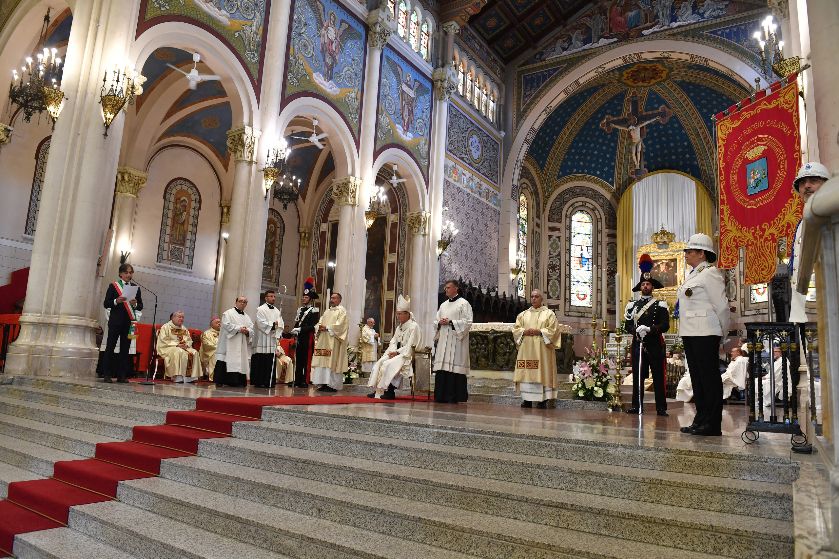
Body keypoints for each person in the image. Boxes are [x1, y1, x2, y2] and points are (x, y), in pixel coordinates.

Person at [788, 162, 830, 433]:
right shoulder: (802, 224)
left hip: (828, 301)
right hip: (803, 305)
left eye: (813, 180)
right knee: (811, 368)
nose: (807, 186)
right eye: (803, 183)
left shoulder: (830, 213)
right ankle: (817, 423)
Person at [677, 233, 730, 436]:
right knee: (697, 379)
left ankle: (713, 424)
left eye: (690, 251)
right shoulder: (693, 275)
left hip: (706, 333)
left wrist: (722, 335)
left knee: (709, 379)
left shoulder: (711, 274)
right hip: (691, 333)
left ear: (701, 253)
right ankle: (701, 419)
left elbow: (722, 308)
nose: (686, 255)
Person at [623, 254, 670, 416]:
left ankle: (661, 408)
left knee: (658, 377)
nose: (645, 286)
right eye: (643, 284)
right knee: (638, 377)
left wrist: (650, 329)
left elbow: (665, 325)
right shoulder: (632, 305)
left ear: (652, 286)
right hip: (638, 344)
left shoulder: (660, 304)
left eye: (648, 284)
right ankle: (636, 406)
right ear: (640, 286)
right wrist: (635, 330)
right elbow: (627, 324)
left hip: (655, 344)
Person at [512, 289, 561, 409]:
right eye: (532, 296)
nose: (534, 299)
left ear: (541, 299)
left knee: (541, 371)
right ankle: (527, 400)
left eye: (537, 297)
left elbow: (554, 330)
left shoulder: (549, 314)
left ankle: (542, 400)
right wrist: (524, 331)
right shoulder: (523, 314)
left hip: (542, 350)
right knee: (526, 372)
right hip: (527, 350)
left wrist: (540, 331)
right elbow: (516, 330)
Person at [367, 295, 422, 399]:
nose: (398, 316)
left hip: (408, 355)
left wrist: (397, 352)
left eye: (400, 314)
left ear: (407, 314)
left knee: (388, 364)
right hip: (397, 353)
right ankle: (378, 391)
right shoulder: (399, 327)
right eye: (397, 314)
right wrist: (392, 351)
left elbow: (411, 345)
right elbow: (393, 341)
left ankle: (390, 392)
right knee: (380, 362)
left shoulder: (414, 327)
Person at [433, 279, 473, 404]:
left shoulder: (464, 303)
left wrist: (451, 322)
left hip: (456, 340)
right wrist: (439, 322)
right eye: (445, 288)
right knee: (442, 368)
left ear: (456, 288)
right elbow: (436, 320)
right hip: (444, 339)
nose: (446, 290)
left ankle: (454, 396)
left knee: (454, 368)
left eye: (449, 287)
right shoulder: (443, 305)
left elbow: (468, 322)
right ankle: (440, 396)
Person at [102, 263, 143, 383]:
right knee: (110, 347)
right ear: (120, 274)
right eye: (126, 272)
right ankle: (107, 374)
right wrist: (116, 300)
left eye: (131, 273)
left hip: (129, 323)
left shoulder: (136, 288)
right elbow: (106, 303)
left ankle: (121, 375)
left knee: (125, 350)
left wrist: (135, 304)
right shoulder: (113, 286)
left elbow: (140, 306)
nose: (128, 275)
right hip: (115, 322)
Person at [311, 292, 349, 392]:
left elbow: (341, 325)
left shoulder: (342, 311)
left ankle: (331, 385)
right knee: (322, 361)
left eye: (334, 298)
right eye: (331, 298)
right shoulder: (327, 311)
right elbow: (320, 322)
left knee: (331, 362)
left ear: (339, 300)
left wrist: (327, 327)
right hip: (323, 340)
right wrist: (318, 327)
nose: (331, 300)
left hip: (333, 340)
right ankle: (322, 383)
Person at [214, 296, 254, 387]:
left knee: (239, 360)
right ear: (236, 302)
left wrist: (247, 331)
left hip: (240, 343)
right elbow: (226, 325)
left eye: (245, 302)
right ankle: (221, 380)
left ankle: (237, 381)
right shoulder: (228, 313)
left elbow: (252, 328)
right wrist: (239, 329)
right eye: (241, 301)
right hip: (229, 342)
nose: (242, 303)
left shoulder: (247, 317)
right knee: (225, 360)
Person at [251, 290, 283, 388]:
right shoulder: (260, 309)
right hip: (262, 338)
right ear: (266, 298)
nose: (273, 298)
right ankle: (260, 381)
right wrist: (273, 325)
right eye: (271, 296)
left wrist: (278, 327)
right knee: (261, 359)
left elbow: (281, 322)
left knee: (270, 360)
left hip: (272, 338)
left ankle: (269, 381)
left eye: (274, 296)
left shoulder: (277, 311)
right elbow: (260, 323)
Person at [157, 311, 201, 383]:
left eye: (182, 317)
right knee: (179, 351)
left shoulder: (184, 328)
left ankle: (190, 377)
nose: (181, 319)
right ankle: (177, 376)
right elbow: (163, 340)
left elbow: (189, 339)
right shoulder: (166, 327)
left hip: (183, 347)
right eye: (179, 317)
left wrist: (186, 345)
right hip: (168, 347)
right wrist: (177, 345)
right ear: (173, 318)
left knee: (194, 352)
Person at [292, 278, 320, 388]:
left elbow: (313, 326)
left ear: (311, 299)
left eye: (306, 297)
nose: (304, 299)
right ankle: (297, 380)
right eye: (303, 297)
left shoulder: (314, 310)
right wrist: (294, 331)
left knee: (305, 359)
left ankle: (305, 380)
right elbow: (297, 322)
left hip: (308, 337)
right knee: (298, 359)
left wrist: (300, 330)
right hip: (299, 337)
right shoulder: (300, 310)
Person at [762, 346, 793, 421]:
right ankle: (760, 401)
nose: (774, 353)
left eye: (776, 351)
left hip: (779, 381)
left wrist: (767, 377)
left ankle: (766, 402)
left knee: (761, 383)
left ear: (781, 352)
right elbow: (773, 372)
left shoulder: (783, 360)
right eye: (773, 352)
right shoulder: (777, 361)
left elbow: (778, 374)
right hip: (774, 378)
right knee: (757, 381)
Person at [199, 317, 220, 381]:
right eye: (217, 322)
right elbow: (207, 345)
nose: (219, 324)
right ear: (211, 325)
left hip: (219, 351)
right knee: (217, 354)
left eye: (220, 322)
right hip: (209, 353)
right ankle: (215, 376)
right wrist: (219, 349)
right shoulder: (206, 333)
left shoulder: (223, 333)